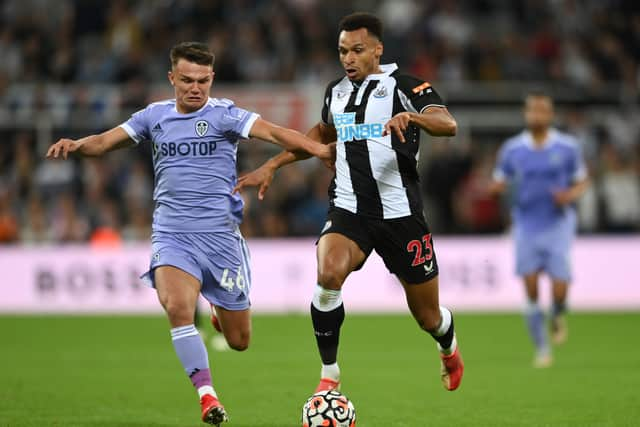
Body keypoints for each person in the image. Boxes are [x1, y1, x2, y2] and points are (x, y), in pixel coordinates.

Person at [46, 41, 333, 425]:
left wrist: (317, 150)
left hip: (220, 239)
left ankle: (218, 306)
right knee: (179, 309)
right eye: (186, 80)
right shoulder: (153, 116)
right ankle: (207, 396)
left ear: (212, 78)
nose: (195, 88)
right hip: (172, 234)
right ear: (172, 78)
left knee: (239, 341)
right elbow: (103, 143)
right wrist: (76, 145)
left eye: (202, 80)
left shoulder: (226, 115)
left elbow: (276, 133)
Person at [234, 13, 464, 394]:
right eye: (343, 51)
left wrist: (412, 118)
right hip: (348, 208)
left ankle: (447, 344)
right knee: (328, 275)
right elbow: (320, 135)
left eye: (357, 50)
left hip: (401, 215)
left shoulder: (404, 86)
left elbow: (448, 123)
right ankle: (330, 374)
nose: (348, 58)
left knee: (427, 316)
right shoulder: (335, 92)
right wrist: (273, 164)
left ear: (378, 49)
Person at [488, 91, 589, 368]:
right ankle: (542, 349)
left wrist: (569, 195)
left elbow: (582, 181)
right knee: (531, 288)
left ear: (551, 115)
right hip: (525, 223)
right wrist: (496, 188)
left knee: (559, 288)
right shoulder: (512, 149)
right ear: (526, 114)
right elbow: (498, 180)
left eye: (542, 110)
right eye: (532, 110)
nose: (537, 115)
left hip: (558, 223)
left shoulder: (567, 147)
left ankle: (557, 314)